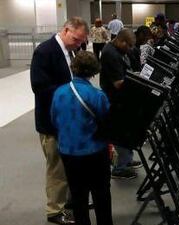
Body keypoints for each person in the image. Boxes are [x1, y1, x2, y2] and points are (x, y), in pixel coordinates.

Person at [30, 17, 89, 225]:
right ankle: (54, 210)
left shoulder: (70, 50)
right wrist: (70, 93)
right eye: (76, 39)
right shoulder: (44, 52)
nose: (78, 44)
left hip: (68, 122)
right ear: (65, 30)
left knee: (69, 166)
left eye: (82, 41)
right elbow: (39, 87)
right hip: (51, 122)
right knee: (57, 169)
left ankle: (69, 202)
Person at [51, 51, 113, 225]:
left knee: (78, 195)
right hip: (94, 151)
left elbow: (54, 120)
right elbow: (107, 122)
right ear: (94, 71)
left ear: (74, 67)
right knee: (101, 193)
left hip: (68, 151)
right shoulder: (97, 95)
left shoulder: (58, 93)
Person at [100, 28, 142, 179]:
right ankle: (120, 167)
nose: (130, 49)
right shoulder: (110, 54)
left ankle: (126, 160)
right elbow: (118, 83)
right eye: (128, 45)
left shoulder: (119, 51)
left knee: (126, 131)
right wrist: (138, 81)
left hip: (122, 98)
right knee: (120, 132)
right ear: (120, 41)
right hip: (114, 98)